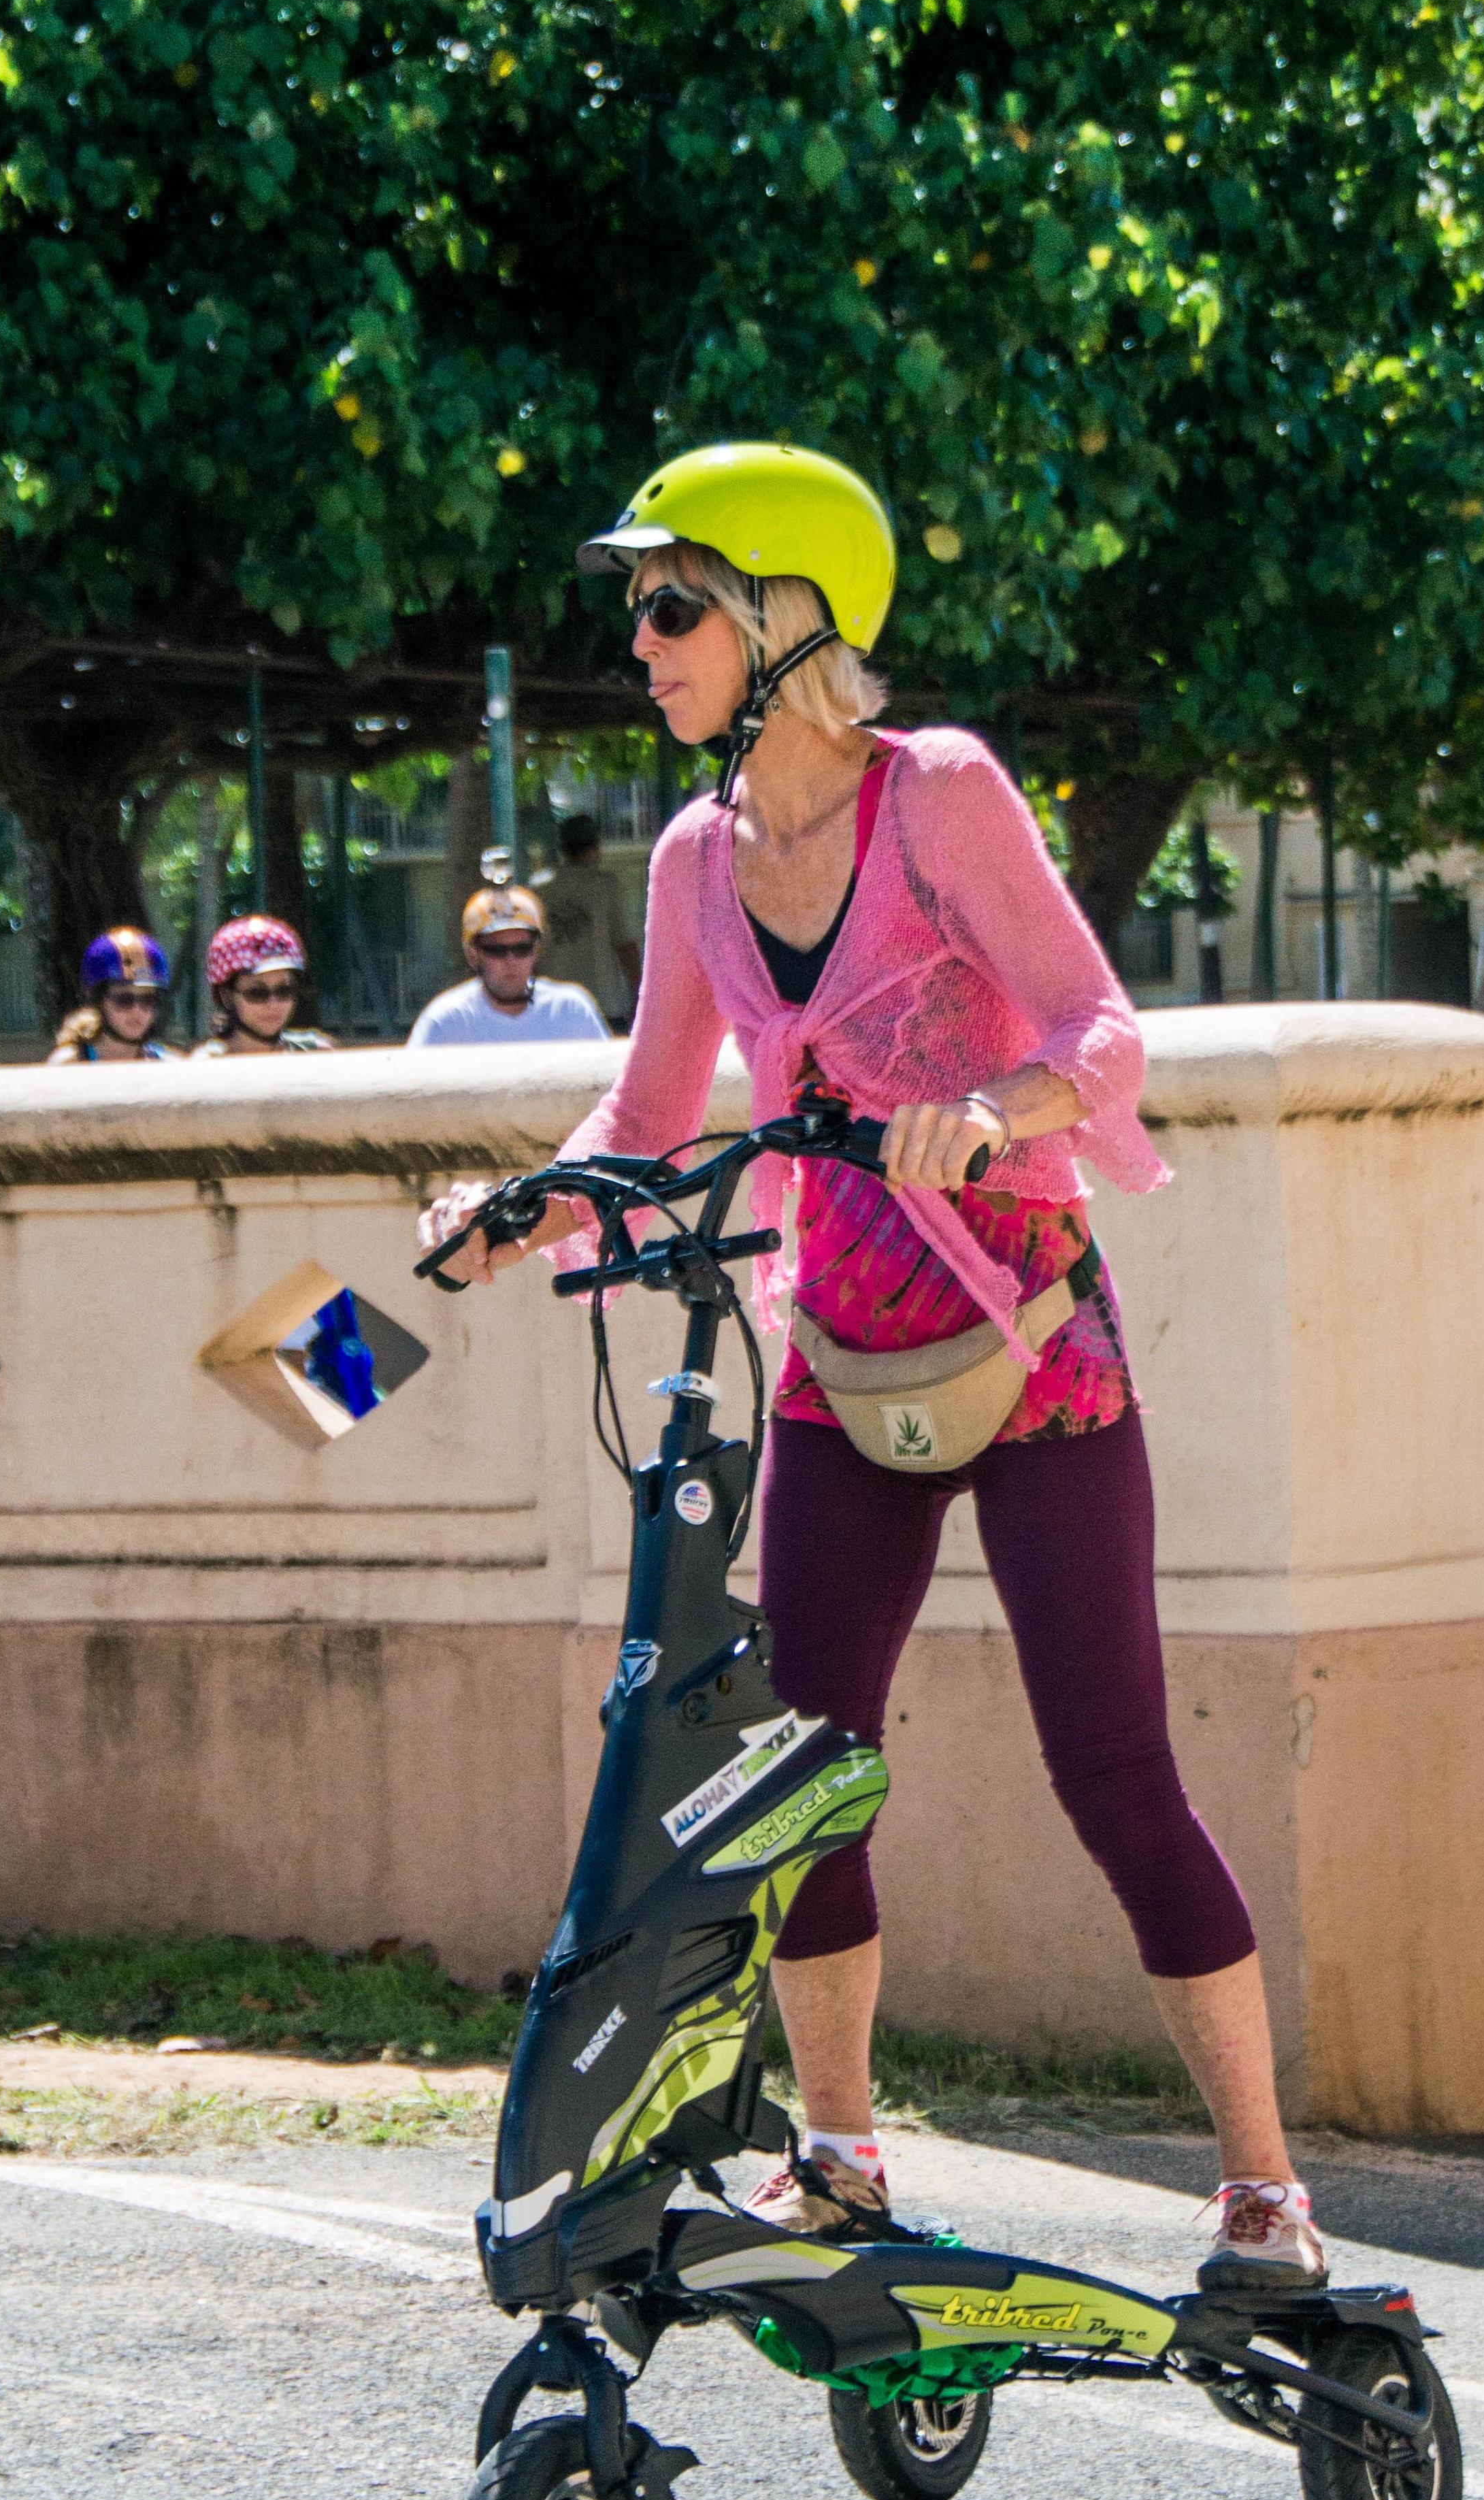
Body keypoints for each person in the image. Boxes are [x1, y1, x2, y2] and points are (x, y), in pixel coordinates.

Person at [417, 438, 1323, 2297]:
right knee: (805, 1770)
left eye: (675, 604)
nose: (644, 641)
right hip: (838, 1354)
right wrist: (535, 1207)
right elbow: (658, 1109)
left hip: (1030, 1342)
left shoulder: (943, 796)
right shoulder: (690, 857)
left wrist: (997, 1106)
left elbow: (1100, 1025)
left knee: (1116, 1769)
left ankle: (1262, 2187)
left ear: (788, 617)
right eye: (639, 609)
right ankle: (836, 2152)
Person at [408, 883, 609, 1047]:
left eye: (522, 949)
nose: (511, 960)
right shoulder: (445, 1020)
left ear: (536, 950)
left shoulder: (572, 1010)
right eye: (496, 950)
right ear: (472, 954)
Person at [543, 811, 642, 1025]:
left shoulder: (541, 891)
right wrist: (639, 997)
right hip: (602, 1005)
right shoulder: (607, 887)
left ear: (563, 848)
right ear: (595, 846)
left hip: (551, 1009)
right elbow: (626, 948)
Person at [195, 915, 335, 1057]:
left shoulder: (315, 1055)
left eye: (285, 991)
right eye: (257, 993)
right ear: (226, 996)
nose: (273, 1004)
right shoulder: (207, 1065)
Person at [49, 928, 173, 1066]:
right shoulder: (69, 1064)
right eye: (124, 1000)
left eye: (148, 1000)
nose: (137, 1011)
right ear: (97, 1001)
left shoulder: (169, 1066)